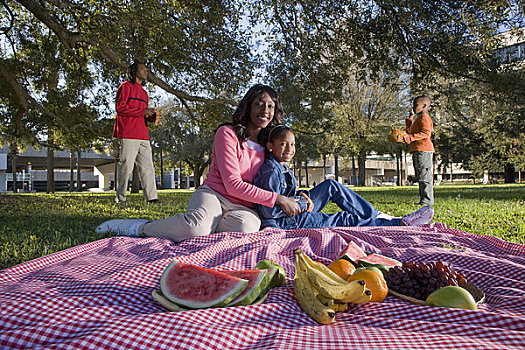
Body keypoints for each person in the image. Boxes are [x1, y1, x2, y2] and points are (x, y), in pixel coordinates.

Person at [96, 84, 301, 241]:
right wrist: (277, 199)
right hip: (215, 194)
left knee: (247, 228)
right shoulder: (227, 134)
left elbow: (280, 179)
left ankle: (206, 225)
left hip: (244, 207)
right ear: (248, 107)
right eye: (259, 104)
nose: (265, 110)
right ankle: (141, 227)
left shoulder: (270, 145)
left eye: (270, 106)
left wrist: (301, 198)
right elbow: (232, 184)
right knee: (196, 228)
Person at [253, 125, 434, 230]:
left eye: (292, 144)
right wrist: (301, 203)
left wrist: (303, 195)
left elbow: (287, 193)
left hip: (295, 210)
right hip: (286, 222)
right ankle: (398, 224)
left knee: (331, 185)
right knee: (344, 219)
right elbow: (269, 211)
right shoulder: (271, 170)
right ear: (270, 146)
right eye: (283, 144)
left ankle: (375, 215)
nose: (289, 149)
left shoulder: (281, 166)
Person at [113, 61, 159, 203]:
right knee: (126, 166)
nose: (146, 72)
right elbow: (120, 108)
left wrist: (151, 116)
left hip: (143, 134)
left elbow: (141, 114)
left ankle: (151, 198)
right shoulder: (125, 87)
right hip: (128, 133)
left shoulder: (144, 94)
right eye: (143, 69)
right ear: (134, 72)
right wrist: (143, 111)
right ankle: (120, 198)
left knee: (148, 167)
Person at [403, 95, 435, 206]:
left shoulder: (424, 117)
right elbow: (409, 132)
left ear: (424, 106)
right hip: (417, 149)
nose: (413, 107)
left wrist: (411, 138)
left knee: (424, 175)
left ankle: (427, 201)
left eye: (416, 105)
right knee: (420, 175)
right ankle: (423, 199)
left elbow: (426, 133)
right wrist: (410, 119)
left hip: (424, 150)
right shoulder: (418, 118)